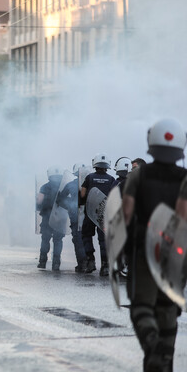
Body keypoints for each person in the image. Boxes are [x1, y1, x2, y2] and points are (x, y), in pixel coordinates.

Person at [122, 118, 187, 371]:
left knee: (141, 306)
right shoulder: (185, 178)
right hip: (175, 253)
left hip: (145, 249)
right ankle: (164, 359)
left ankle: (152, 343)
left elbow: (125, 212)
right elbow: (182, 215)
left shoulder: (139, 174)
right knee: (167, 308)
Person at [80, 153, 115, 276]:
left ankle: (91, 261)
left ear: (95, 164)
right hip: (104, 215)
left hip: (90, 213)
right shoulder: (111, 179)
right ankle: (105, 266)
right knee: (103, 240)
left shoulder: (89, 177)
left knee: (86, 235)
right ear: (107, 166)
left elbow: (83, 194)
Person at [57, 163, 87, 272]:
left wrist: (70, 206)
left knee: (78, 240)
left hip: (75, 216)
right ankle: (90, 262)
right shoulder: (91, 184)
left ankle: (82, 263)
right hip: (88, 217)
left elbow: (60, 200)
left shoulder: (69, 185)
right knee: (87, 239)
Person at [36, 166, 64, 271]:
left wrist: (38, 206)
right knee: (58, 240)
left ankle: (42, 261)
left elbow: (39, 201)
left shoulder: (44, 187)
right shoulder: (63, 186)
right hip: (60, 218)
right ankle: (56, 263)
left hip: (47, 217)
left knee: (45, 239)